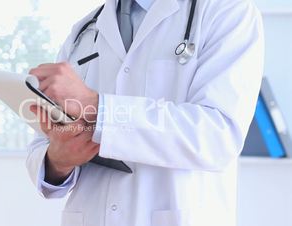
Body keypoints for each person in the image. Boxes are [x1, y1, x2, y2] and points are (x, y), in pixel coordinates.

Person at [26, 0, 264, 225]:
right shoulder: (85, 31)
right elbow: (42, 148)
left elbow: (217, 136)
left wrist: (97, 107)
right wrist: (58, 160)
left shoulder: (227, 12)